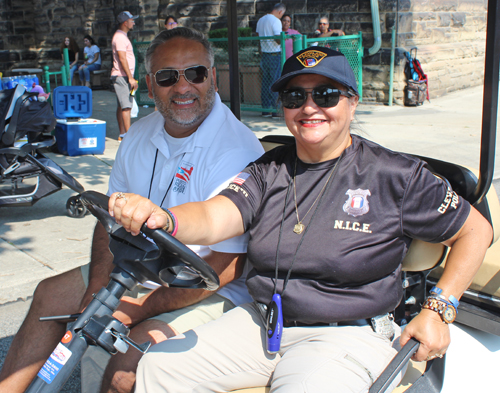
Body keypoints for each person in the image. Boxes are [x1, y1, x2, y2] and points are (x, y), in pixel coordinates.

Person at [110, 47, 492, 392]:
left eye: (325, 95)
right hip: (263, 323)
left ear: (352, 103)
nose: (309, 107)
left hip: (346, 334)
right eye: (295, 97)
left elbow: (476, 230)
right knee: (158, 368)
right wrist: (165, 217)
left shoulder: (394, 174)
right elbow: (215, 214)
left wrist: (439, 309)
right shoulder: (268, 170)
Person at [0, 27, 264, 393]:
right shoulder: (139, 135)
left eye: (196, 74)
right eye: (168, 77)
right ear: (149, 83)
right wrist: (96, 288)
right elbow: (109, 220)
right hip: (137, 267)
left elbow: (228, 266)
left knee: (126, 360)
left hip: (207, 285)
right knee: (49, 293)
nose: (183, 87)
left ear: (213, 78)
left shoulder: (236, 150)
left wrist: (134, 309)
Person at [111, 11, 139, 142]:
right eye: (132, 20)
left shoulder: (121, 36)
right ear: (125, 23)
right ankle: (128, 136)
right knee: (126, 106)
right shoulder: (120, 38)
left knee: (121, 105)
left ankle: (122, 134)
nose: (133, 22)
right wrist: (130, 78)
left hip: (121, 75)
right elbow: (122, 58)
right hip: (122, 76)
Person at [256, 2, 286, 118]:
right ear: (280, 12)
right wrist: (283, 37)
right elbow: (277, 38)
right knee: (276, 82)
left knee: (265, 83)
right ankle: (276, 110)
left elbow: (258, 37)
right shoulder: (275, 21)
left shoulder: (261, 20)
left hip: (265, 54)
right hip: (274, 54)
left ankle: (265, 109)